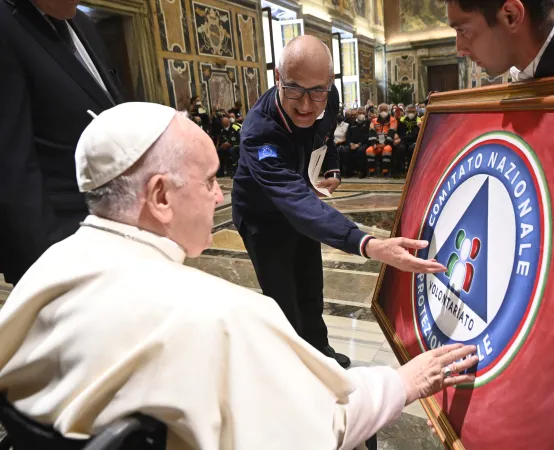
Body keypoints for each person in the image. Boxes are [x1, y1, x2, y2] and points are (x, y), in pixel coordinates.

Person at [0, 101, 480, 450]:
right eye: (210, 180)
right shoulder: (221, 315)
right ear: (160, 197)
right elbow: (320, 430)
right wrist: (404, 382)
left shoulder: (47, 267)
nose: (218, 197)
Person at [232, 35, 447, 370]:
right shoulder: (259, 132)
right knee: (283, 299)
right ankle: (298, 371)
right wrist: (368, 243)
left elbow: (325, 134)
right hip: (264, 216)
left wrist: (330, 165)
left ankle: (320, 352)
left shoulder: (326, 98)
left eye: (316, 91)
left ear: (329, 84)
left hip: (302, 203)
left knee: (310, 288)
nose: (306, 105)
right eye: (294, 90)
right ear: (278, 77)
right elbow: (294, 201)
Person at [0, 0, 124, 286]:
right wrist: (48, 267)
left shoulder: (81, 22)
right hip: (60, 241)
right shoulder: (5, 25)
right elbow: (11, 165)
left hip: (113, 229)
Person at [366, 103, 399, 178]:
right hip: (377, 143)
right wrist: (374, 144)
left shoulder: (393, 120)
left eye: (385, 110)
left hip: (388, 143)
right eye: (381, 110)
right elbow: (371, 132)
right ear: (378, 111)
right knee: (369, 150)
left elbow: (392, 132)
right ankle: (372, 172)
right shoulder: (374, 121)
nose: (383, 111)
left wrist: (385, 143)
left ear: (388, 110)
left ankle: (385, 172)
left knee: (387, 150)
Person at [217, 113, 241, 177]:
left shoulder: (235, 127)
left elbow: (239, 139)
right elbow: (222, 140)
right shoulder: (222, 131)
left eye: (227, 121)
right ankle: (221, 171)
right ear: (222, 123)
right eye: (225, 122)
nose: (227, 122)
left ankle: (235, 170)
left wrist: (231, 144)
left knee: (232, 151)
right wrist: (223, 145)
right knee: (219, 151)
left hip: (236, 146)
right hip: (227, 147)